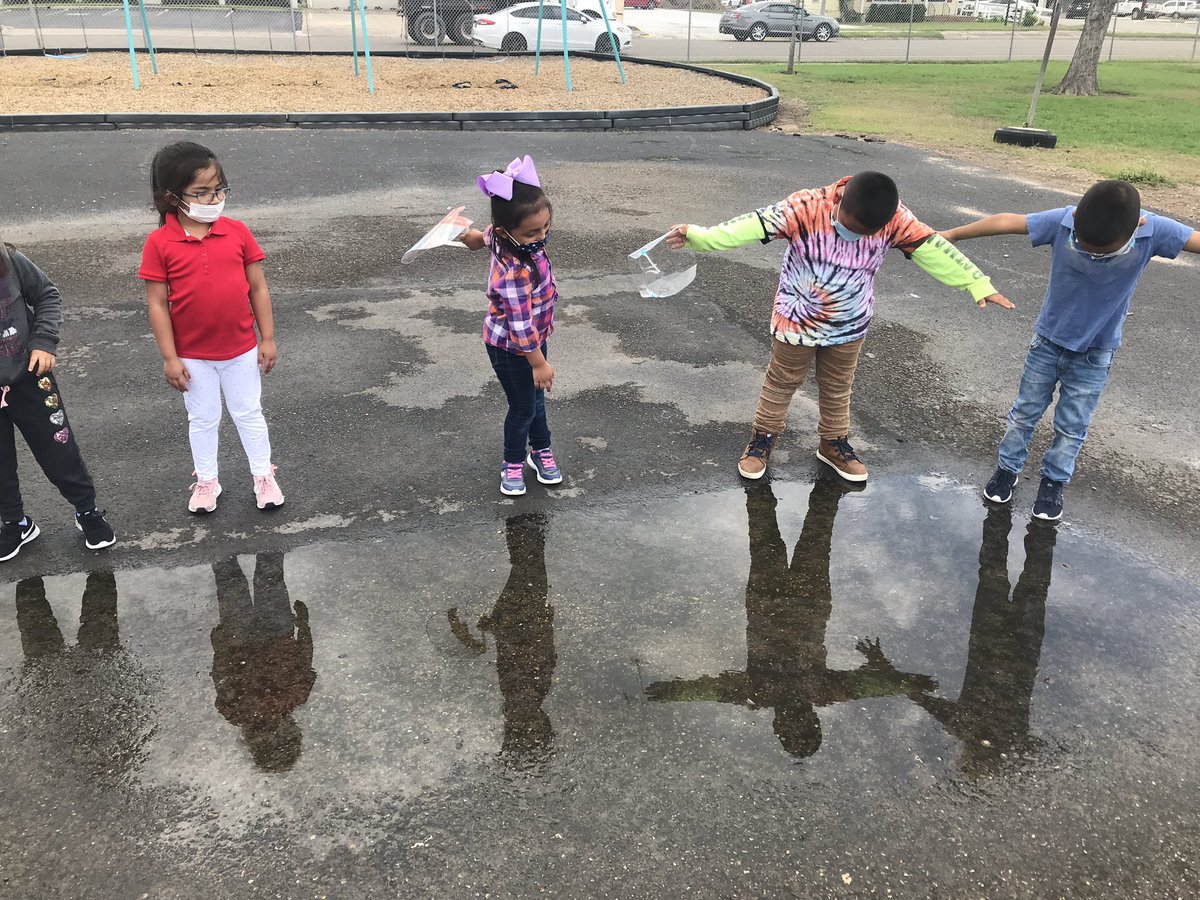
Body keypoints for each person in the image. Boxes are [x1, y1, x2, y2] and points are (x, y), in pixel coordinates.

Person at [666, 171, 1013, 483]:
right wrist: (698, 236)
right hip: (797, 319)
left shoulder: (897, 219)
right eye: (849, 227)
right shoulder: (805, 206)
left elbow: (933, 248)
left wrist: (977, 283)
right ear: (838, 200)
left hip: (851, 321)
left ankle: (833, 444)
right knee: (781, 382)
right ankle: (762, 440)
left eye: (866, 234)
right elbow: (748, 226)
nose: (853, 237)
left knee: (837, 386)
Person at [942, 179, 1198, 520]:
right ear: (1075, 217)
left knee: (1072, 426)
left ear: (1137, 226)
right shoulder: (1064, 221)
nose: (1092, 253)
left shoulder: (1154, 230)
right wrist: (953, 235)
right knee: (1023, 414)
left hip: (1095, 353)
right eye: (1084, 244)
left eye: (1103, 251)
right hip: (1047, 343)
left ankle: (1053, 482)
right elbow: (1007, 220)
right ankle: (1007, 469)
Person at [646, 477, 937, 759]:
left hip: (796, 601)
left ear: (779, 725)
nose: (795, 718)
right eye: (802, 724)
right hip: (783, 601)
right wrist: (907, 681)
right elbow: (872, 687)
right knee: (779, 539)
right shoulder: (774, 693)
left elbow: (710, 690)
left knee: (810, 539)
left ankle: (803, 489)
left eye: (791, 725)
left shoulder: (782, 692)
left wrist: (909, 682)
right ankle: (776, 490)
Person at [139, 141, 284, 515]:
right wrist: (170, 358)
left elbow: (258, 287)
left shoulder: (236, 231)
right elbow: (157, 303)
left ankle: (262, 475)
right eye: (201, 192)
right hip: (192, 356)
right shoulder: (159, 243)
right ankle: (207, 480)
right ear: (173, 197)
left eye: (218, 190)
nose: (213, 198)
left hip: (241, 349)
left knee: (248, 412)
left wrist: (266, 338)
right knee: (202, 418)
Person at [0, 242, 115, 560]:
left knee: (58, 451)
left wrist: (44, 342)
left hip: (31, 378)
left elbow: (47, 294)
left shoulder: (10, 261)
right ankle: (15, 523)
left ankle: (87, 511)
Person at [458, 155, 565, 497]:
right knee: (523, 405)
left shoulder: (506, 238)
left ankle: (541, 450)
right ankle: (513, 461)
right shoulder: (513, 273)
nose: (541, 236)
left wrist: (469, 237)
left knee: (535, 399)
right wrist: (539, 362)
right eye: (532, 232)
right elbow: (519, 324)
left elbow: (484, 237)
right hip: (512, 346)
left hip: (534, 337)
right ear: (510, 233)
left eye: (546, 227)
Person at [210, 552, 314, 773]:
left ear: (253, 744)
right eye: (283, 739)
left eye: (270, 742)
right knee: (268, 579)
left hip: (240, 642)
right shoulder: (297, 696)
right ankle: (267, 537)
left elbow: (221, 678)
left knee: (231, 584)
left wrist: (219, 650)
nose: (275, 734)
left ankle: (220, 542)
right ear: (294, 732)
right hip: (277, 634)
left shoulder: (236, 712)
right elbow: (305, 659)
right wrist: (304, 628)